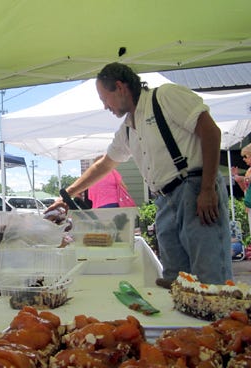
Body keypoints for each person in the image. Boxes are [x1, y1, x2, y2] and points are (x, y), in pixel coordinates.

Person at [47, 62, 232, 287]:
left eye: (105, 99)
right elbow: (104, 165)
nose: (106, 107)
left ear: (120, 87)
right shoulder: (127, 129)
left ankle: (221, 321)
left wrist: (207, 189)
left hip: (194, 190)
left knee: (209, 277)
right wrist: (67, 195)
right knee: (177, 280)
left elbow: (211, 132)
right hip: (165, 201)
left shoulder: (165, 97)